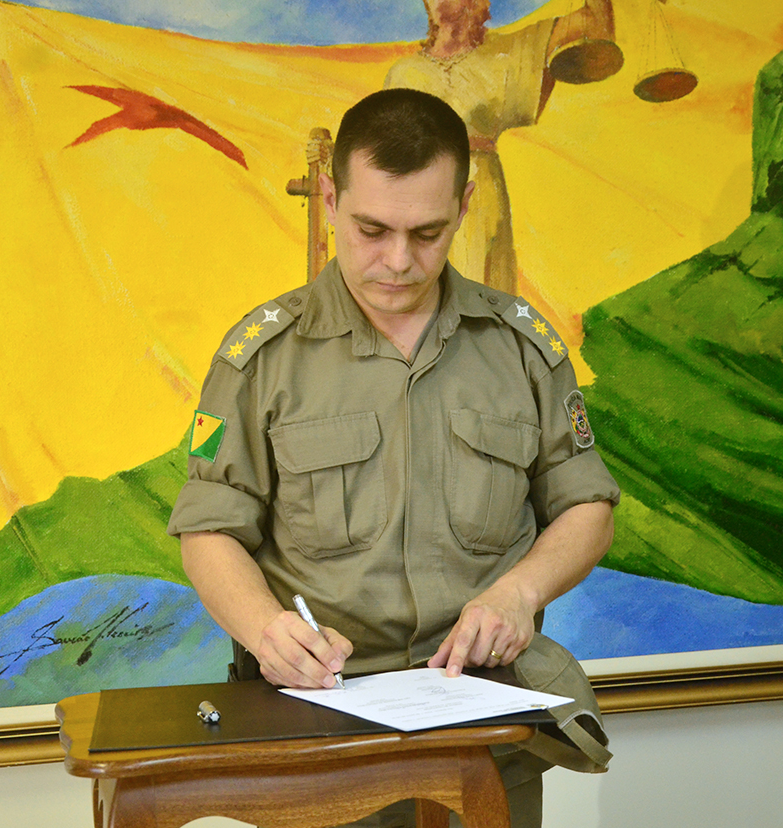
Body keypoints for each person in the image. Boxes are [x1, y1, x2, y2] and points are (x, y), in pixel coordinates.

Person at [168, 87, 620, 827]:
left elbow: (587, 506)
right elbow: (209, 527)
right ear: (330, 197)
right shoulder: (261, 358)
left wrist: (519, 594)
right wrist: (266, 631)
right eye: (372, 230)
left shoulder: (521, 347)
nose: (399, 261)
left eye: (428, 233)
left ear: (464, 206)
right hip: (318, 734)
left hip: (486, 733)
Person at [385, 0, 622, 294]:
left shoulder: (506, 53)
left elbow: (593, 24)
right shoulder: (403, 73)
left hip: (476, 199)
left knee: (476, 289)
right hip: (415, 205)